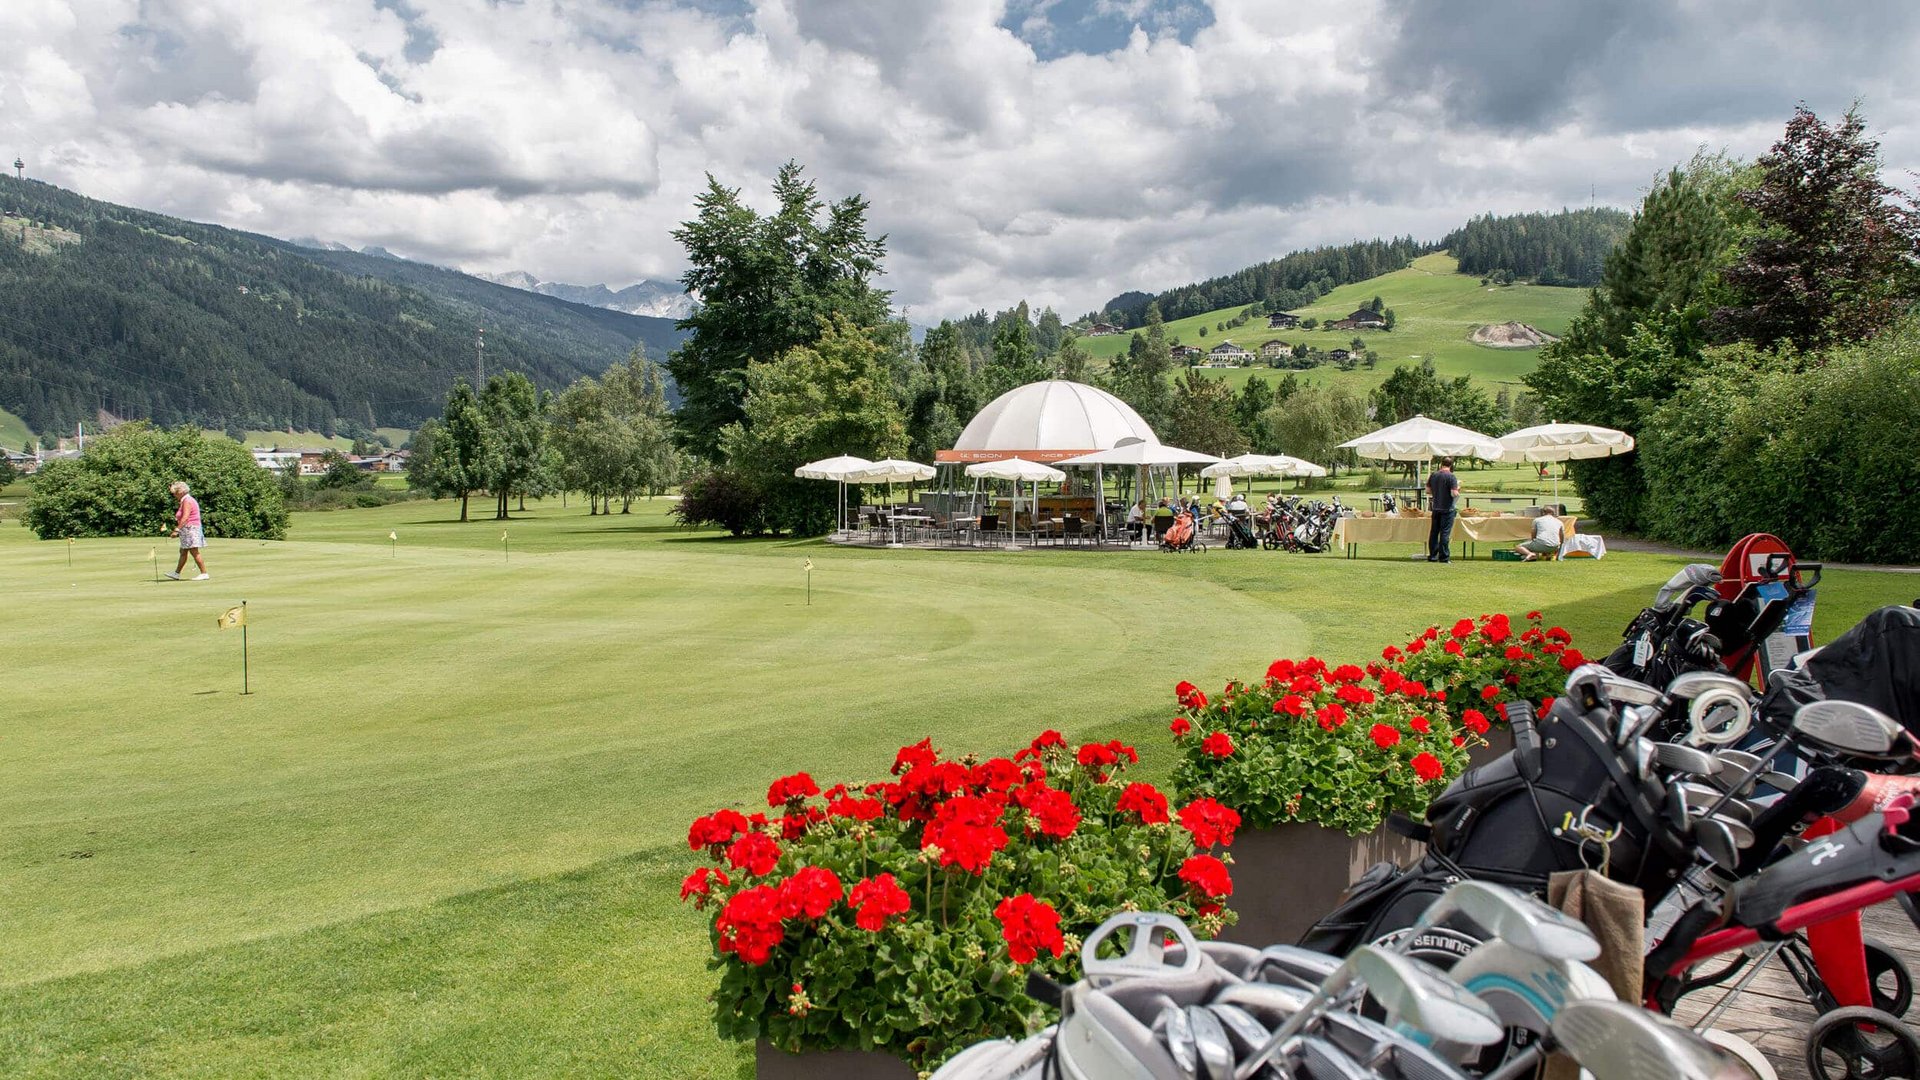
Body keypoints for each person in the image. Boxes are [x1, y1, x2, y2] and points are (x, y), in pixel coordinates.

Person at [166, 480, 209, 580]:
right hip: (187, 529)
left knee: (194, 551)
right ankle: (176, 573)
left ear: (181, 492)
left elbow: (185, 517)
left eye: (175, 493)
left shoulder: (187, 500)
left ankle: (204, 573)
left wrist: (177, 530)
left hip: (191, 528)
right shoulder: (185, 500)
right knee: (183, 551)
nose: (175, 495)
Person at [1425, 458, 1461, 564]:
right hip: (1447, 508)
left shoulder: (1433, 475)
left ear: (1441, 464)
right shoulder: (1451, 476)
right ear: (1451, 465)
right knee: (1445, 533)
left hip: (1436, 508)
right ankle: (1444, 557)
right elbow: (1454, 493)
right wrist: (1458, 489)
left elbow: (1427, 490)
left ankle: (1433, 556)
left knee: (1434, 532)